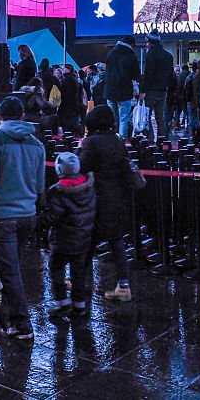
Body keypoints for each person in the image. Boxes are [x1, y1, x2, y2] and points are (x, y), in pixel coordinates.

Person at [0, 97, 45, 341]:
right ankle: (0, 309)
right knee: (11, 266)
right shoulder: (36, 144)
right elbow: (41, 185)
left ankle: (21, 324)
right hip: (28, 214)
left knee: (9, 269)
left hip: (3, 216)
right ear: (22, 115)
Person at [78, 105, 134, 302]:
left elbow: (81, 167)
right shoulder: (117, 140)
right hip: (118, 197)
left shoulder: (92, 142)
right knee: (115, 240)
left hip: (99, 198)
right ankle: (123, 285)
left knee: (90, 240)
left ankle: (80, 279)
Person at [41, 151, 96, 317]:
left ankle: (62, 303)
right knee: (78, 273)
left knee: (56, 269)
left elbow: (52, 217)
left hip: (62, 241)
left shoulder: (58, 191)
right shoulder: (89, 185)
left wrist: (40, 219)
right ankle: (80, 305)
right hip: (83, 239)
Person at [140, 30, 174, 142]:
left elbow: (148, 74)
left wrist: (143, 90)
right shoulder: (168, 56)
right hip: (163, 90)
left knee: (147, 116)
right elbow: (170, 74)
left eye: (147, 42)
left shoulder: (150, 54)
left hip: (151, 91)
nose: (146, 44)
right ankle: (162, 139)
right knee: (160, 117)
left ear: (151, 42)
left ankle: (150, 139)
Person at [104, 35, 140, 140]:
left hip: (110, 90)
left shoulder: (111, 53)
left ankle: (111, 137)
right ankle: (121, 139)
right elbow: (135, 74)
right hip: (124, 91)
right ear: (131, 45)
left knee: (112, 117)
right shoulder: (131, 56)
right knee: (124, 117)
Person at [57, 63, 84, 136]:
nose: (63, 69)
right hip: (74, 106)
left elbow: (64, 92)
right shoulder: (74, 79)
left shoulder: (67, 79)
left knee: (66, 126)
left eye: (65, 68)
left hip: (67, 106)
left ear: (69, 69)